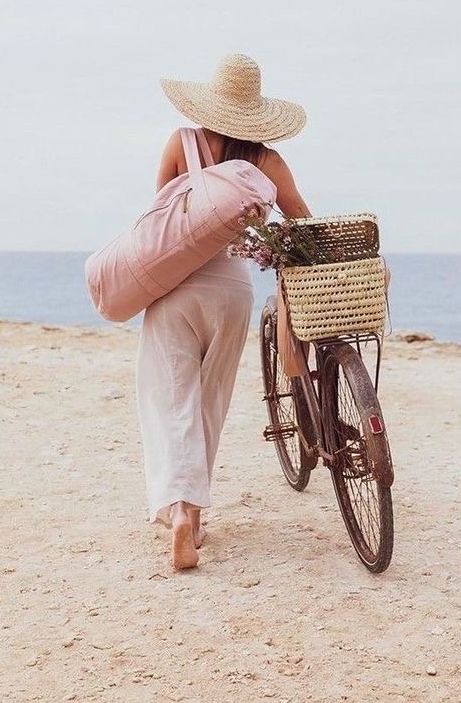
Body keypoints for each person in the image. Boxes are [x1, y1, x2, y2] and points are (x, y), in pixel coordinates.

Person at [136, 53, 311, 571]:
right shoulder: (268, 162)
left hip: (175, 284)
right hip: (231, 289)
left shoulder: (180, 143)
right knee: (211, 399)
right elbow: (302, 220)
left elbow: (158, 218)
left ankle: (178, 511)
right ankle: (194, 509)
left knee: (170, 398)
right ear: (256, 113)